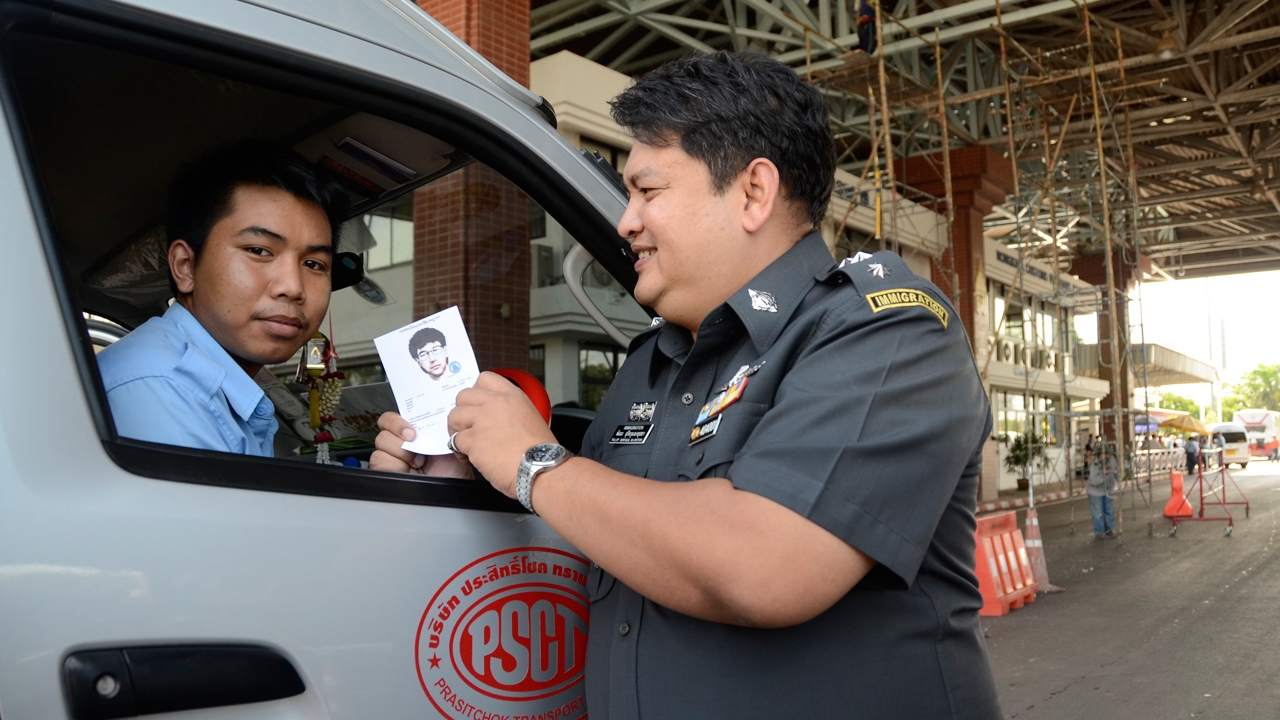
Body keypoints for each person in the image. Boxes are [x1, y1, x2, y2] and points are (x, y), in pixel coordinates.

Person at [375, 51, 1001, 718]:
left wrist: (535, 464)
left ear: (753, 193)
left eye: (648, 192)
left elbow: (767, 563)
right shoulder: (654, 360)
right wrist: (464, 477)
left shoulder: (887, 329)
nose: (626, 223)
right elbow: (610, 536)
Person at [97, 142, 349, 456]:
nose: (293, 287)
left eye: (314, 264)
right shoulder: (160, 387)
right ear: (185, 266)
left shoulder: (207, 386)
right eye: (258, 251)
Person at [1086, 446, 1118, 539]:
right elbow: (1094, 481)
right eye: (1104, 454)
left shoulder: (1112, 460)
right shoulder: (1096, 463)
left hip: (1108, 490)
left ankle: (1109, 530)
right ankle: (1099, 532)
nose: (1106, 456)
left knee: (1109, 511)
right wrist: (1103, 474)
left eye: (1107, 453)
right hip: (1096, 492)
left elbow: (1116, 471)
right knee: (1098, 513)